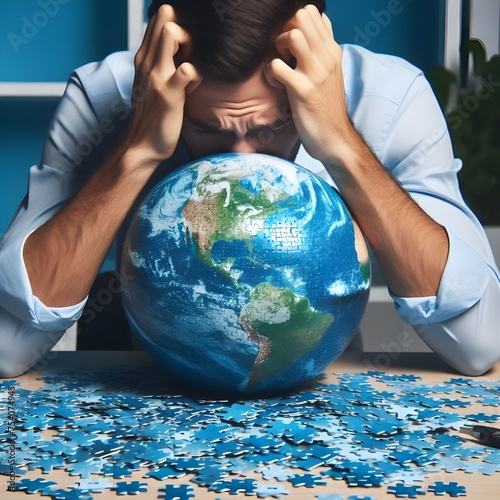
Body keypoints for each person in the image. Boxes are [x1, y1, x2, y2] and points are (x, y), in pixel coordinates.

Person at [0, 0, 498, 378]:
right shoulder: (104, 95)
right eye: (210, 131)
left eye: (271, 128)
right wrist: (137, 150)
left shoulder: (392, 97)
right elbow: (7, 346)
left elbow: (477, 344)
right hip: (148, 389)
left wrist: (342, 143)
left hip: (312, 385)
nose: (242, 159)